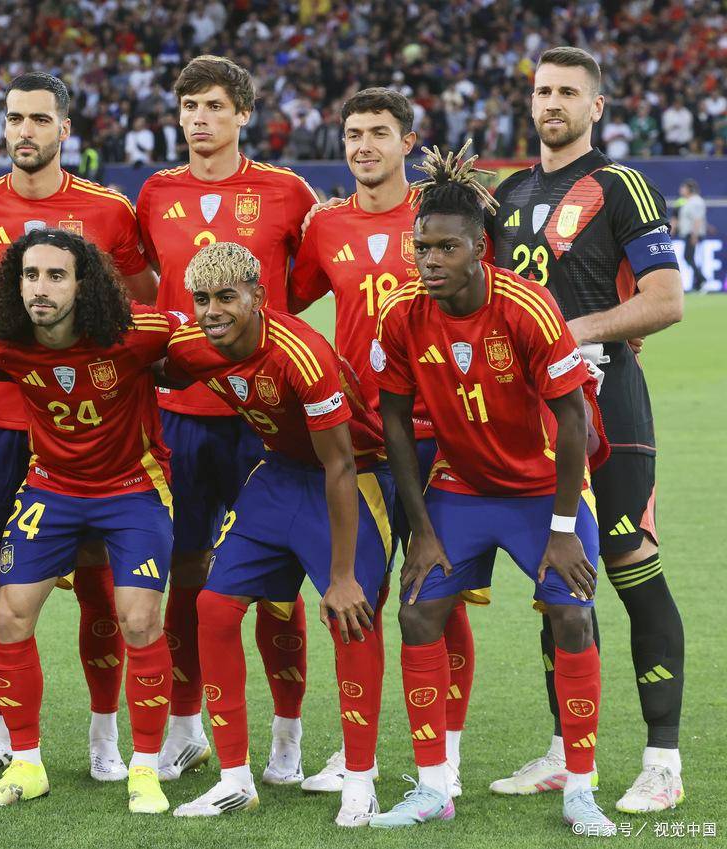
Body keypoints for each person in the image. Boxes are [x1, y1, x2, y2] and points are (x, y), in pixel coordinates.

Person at [367, 145, 615, 836]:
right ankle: (433, 785)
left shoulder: (527, 307)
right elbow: (394, 420)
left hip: (543, 491)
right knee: (419, 612)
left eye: (446, 248)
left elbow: (574, 418)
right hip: (463, 488)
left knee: (572, 616)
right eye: (422, 248)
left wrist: (562, 529)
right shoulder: (402, 313)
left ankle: (581, 788)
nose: (430, 261)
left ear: (480, 249)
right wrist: (421, 529)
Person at [0, 71, 158, 782]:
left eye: (38, 119)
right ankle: (1, 731)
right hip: (2, 424)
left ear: (65, 128)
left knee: (101, 586)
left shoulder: (109, 209)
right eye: (14, 118)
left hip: (94, 429)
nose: (24, 130)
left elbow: (139, 305)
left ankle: (104, 733)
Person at [487, 47, 686, 813]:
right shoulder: (508, 193)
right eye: (543, 90)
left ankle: (663, 761)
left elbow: (665, 300)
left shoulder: (620, 185)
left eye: (569, 92)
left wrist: (573, 330)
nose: (553, 103)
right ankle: (565, 753)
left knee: (634, 568)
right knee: (558, 581)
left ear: (595, 106)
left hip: (611, 411)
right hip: (536, 419)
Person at [136, 54, 319, 785]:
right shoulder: (156, 192)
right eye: (190, 106)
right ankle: (185, 728)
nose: (200, 118)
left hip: (263, 418)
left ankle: (287, 737)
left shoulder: (287, 192)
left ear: (243, 113)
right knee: (183, 571)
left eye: (214, 105)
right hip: (179, 415)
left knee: (277, 581)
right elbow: (143, 281)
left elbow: (306, 283)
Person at [290, 87, 478, 797]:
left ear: (408, 142)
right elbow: (283, 304)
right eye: (353, 134)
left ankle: (446, 755)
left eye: (378, 132)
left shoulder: (442, 216)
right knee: (358, 592)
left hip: (439, 435)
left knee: (438, 595)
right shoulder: (324, 224)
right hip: (357, 440)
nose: (363, 146)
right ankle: (354, 751)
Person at [164, 242, 392, 826]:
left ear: (258, 297)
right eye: (201, 299)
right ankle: (234, 780)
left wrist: (342, 577)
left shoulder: (301, 354)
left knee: (351, 614)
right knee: (213, 607)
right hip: (279, 473)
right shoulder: (193, 342)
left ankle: (360, 779)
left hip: (355, 476)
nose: (212, 311)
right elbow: (156, 359)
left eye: (227, 297)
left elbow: (341, 462)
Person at [0, 228, 180, 814]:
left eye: (56, 276)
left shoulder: (136, 333)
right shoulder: (2, 340)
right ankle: (26, 765)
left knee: (139, 619)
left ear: (83, 286)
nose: (40, 288)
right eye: (30, 275)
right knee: (8, 614)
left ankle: (144, 770)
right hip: (52, 487)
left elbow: (195, 339)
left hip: (132, 488)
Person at [673, 180, 707, 292]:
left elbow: (697, 219)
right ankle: (698, 283)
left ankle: (702, 280)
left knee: (688, 257)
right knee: (689, 257)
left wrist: (694, 235)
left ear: (689, 189)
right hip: (689, 234)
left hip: (692, 234)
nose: (681, 190)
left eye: (684, 187)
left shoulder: (696, 201)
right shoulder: (688, 201)